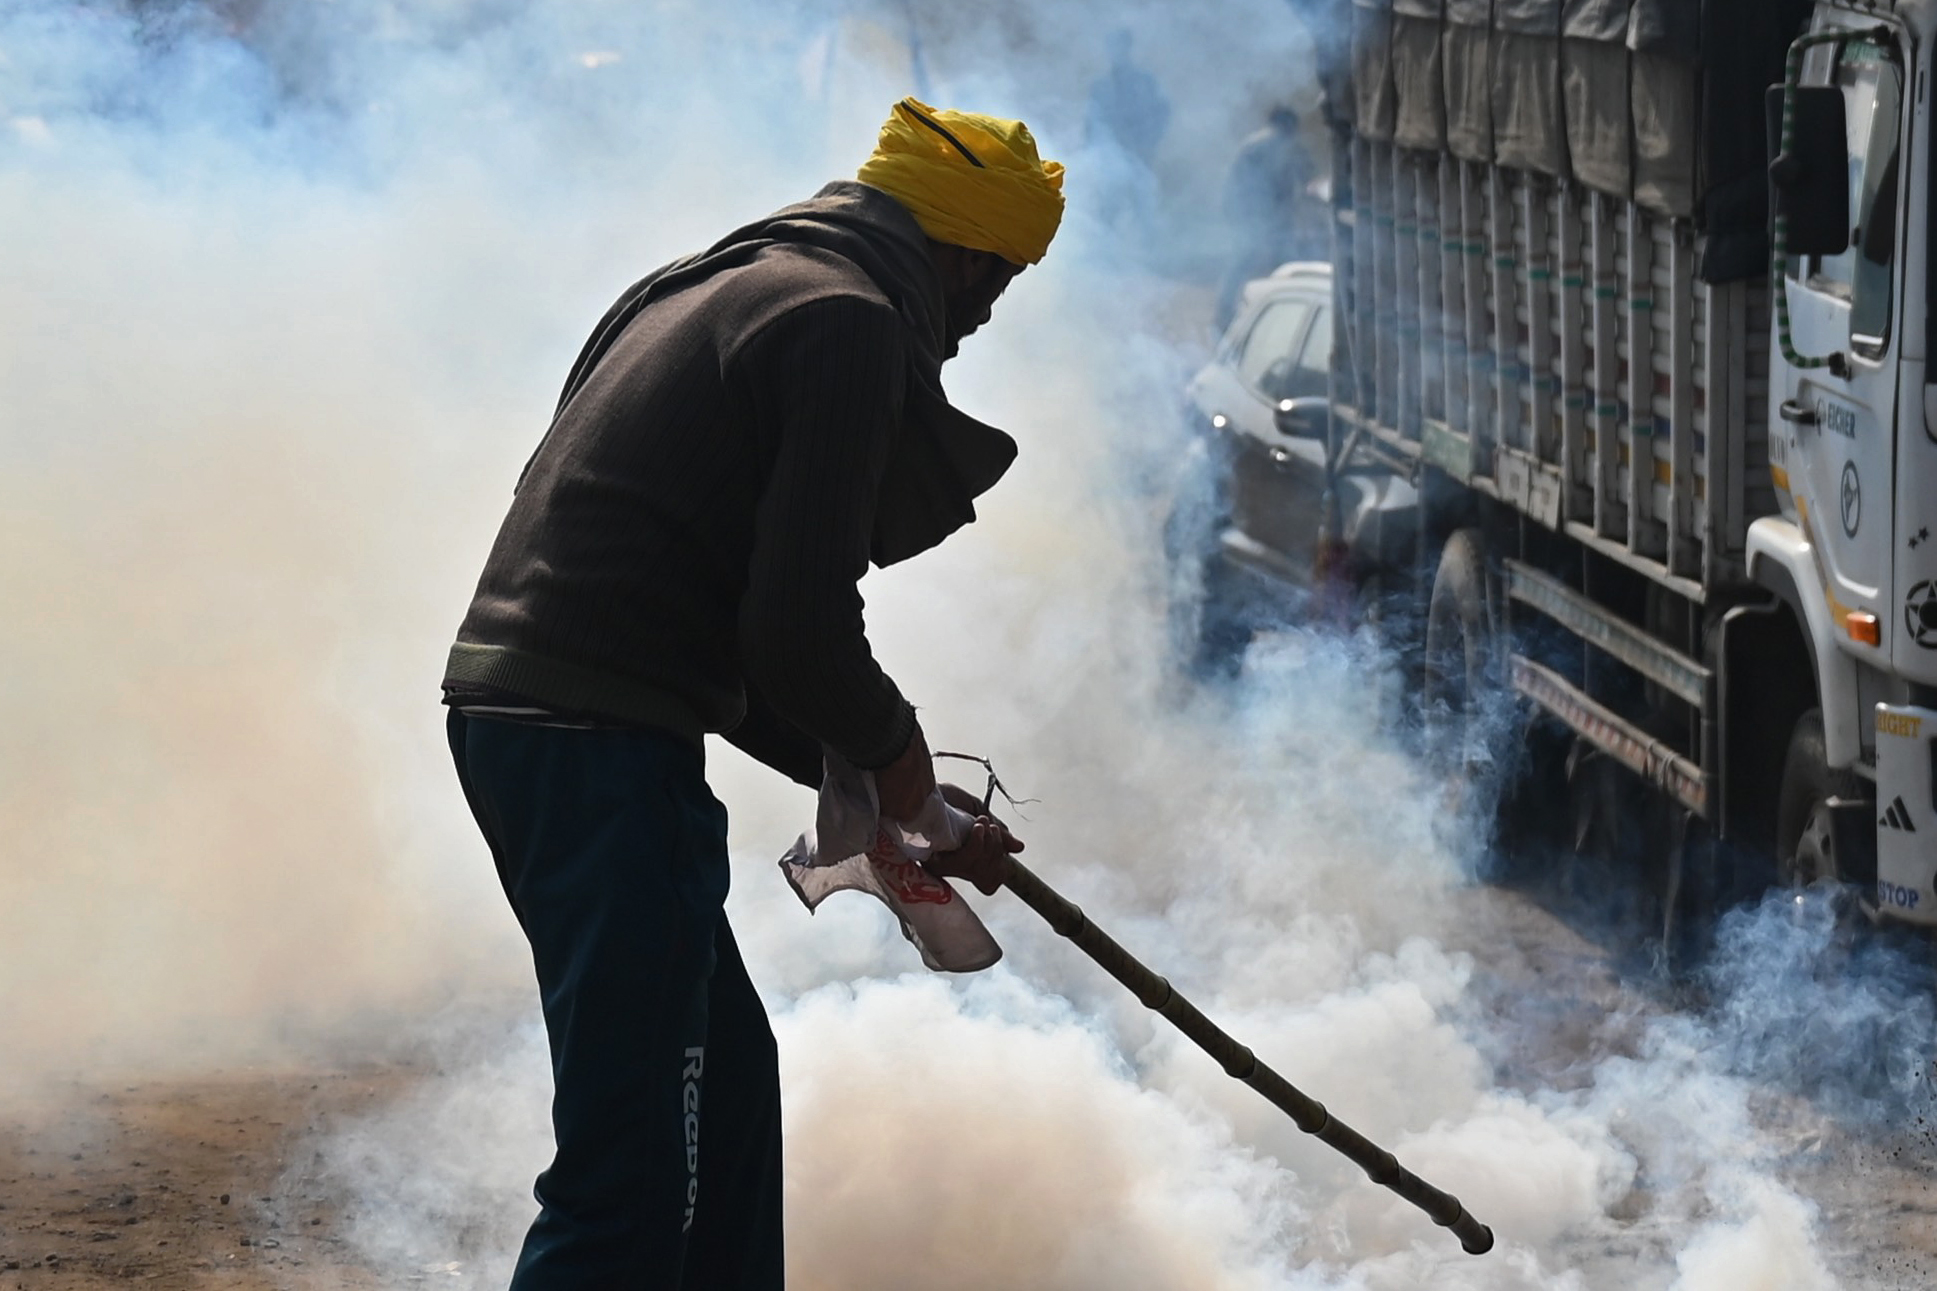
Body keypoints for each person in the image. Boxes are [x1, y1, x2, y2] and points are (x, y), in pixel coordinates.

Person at [440, 98, 1064, 1289]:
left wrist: (901, 802)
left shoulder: (709, 280)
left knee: (721, 1108)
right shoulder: (847, 320)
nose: (986, 314)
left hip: (541, 728)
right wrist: (903, 775)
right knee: (631, 1177)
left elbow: (732, 635)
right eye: (998, 276)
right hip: (595, 748)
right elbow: (795, 631)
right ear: (958, 250)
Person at [1214, 104, 1316, 331]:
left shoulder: (1252, 143)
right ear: (1289, 126)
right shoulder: (1280, 145)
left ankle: (1225, 312)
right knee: (1285, 263)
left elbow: (1232, 184)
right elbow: (1298, 180)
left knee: (1242, 262)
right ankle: (1283, 317)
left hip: (1248, 214)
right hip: (1260, 215)